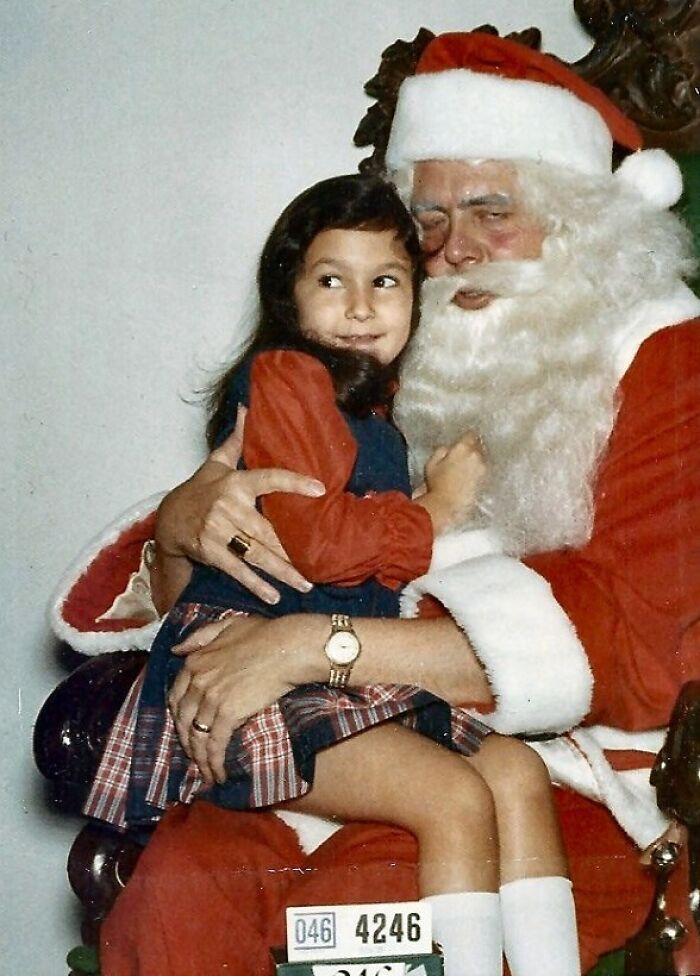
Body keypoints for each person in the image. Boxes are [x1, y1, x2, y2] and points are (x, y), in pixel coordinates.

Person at [53, 31, 700, 976]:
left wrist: (316, 648)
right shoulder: (397, 352)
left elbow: (634, 642)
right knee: (177, 893)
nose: (456, 250)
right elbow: (268, 561)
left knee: (363, 908)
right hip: (352, 735)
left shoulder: (666, 359)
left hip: (578, 778)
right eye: (428, 221)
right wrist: (185, 527)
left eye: (492, 211)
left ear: (578, 225)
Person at [87, 172, 579, 976]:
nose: (359, 307)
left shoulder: (370, 407)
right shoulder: (287, 379)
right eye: (330, 281)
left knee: (515, 772)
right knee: (451, 798)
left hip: (329, 668)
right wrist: (436, 511)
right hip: (242, 667)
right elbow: (312, 543)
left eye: (384, 281)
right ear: (289, 297)